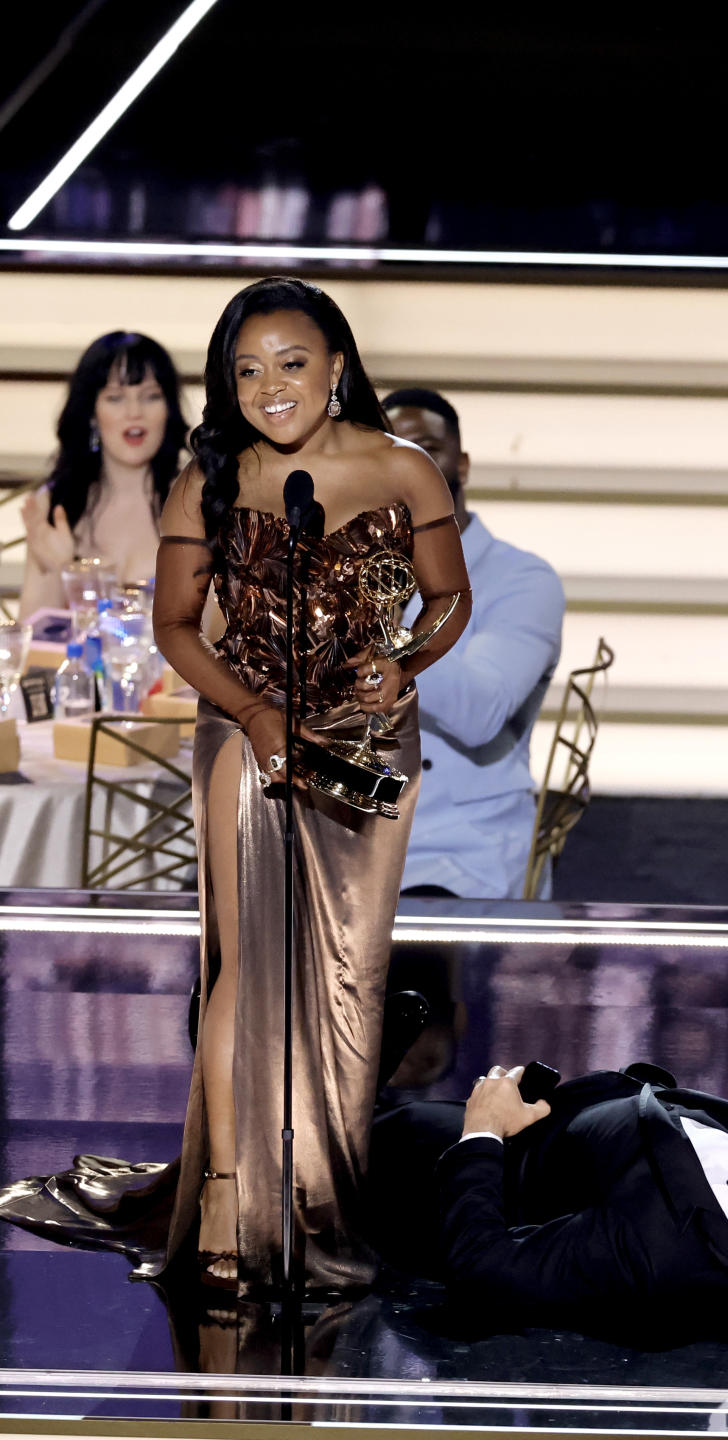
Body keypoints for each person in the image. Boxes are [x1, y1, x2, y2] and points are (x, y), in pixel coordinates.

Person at [149, 276, 471, 1292]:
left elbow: (451, 599)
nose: (270, 386)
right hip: (253, 733)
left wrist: (406, 663)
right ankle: (233, 1214)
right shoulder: (208, 478)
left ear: (336, 365)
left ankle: (321, 1198)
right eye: (247, 369)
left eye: (291, 363)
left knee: (344, 977)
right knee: (248, 969)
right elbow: (173, 627)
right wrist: (250, 713)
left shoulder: (404, 468)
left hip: (368, 748)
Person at [368, 1062, 728, 1347]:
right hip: (586, 1107)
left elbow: (481, 1268)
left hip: (451, 1166)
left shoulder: (649, 1249)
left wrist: (484, 1133)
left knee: (361, 1141)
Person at [381, 389, 564, 899]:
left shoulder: (521, 579)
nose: (409, 470)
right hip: (348, 833)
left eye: (426, 450)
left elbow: (481, 712)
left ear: (460, 463)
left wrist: (386, 628)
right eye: (389, 455)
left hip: (459, 850)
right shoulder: (350, 572)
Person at [19, 331, 187, 618]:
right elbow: (35, 641)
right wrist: (58, 571)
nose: (134, 412)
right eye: (115, 398)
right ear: (92, 413)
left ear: (168, 410)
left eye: (151, 397)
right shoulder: (58, 504)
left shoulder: (198, 499)